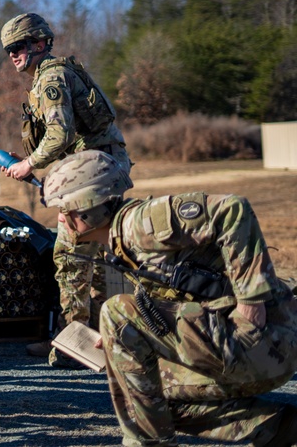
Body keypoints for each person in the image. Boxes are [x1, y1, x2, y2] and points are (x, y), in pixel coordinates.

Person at [42, 150, 297, 447]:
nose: (60, 217)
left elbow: (232, 210)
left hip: (263, 340)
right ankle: (280, 428)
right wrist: (117, 340)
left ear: (87, 207)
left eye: (64, 208)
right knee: (151, 398)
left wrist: (251, 301)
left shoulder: (139, 223)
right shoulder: (121, 246)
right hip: (260, 353)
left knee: (116, 312)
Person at [0, 12, 131, 367]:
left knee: (72, 257)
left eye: (19, 46)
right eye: (9, 48)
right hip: (99, 170)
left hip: (93, 177)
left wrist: (29, 164)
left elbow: (60, 135)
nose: (13, 54)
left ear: (40, 44)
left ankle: (75, 345)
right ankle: (104, 340)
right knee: (103, 256)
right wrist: (27, 158)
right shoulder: (54, 73)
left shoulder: (51, 77)